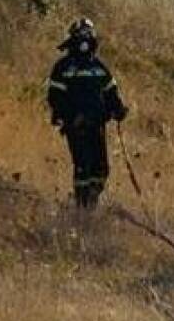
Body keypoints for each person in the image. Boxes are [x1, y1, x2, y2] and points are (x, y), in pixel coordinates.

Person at [46, 18, 128, 209]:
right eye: (81, 35)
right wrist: (69, 117)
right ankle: (82, 205)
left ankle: (92, 200)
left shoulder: (99, 67)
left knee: (101, 168)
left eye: (88, 34)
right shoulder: (63, 67)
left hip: (97, 124)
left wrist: (118, 109)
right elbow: (55, 97)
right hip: (75, 126)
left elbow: (111, 92)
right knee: (83, 165)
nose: (85, 39)